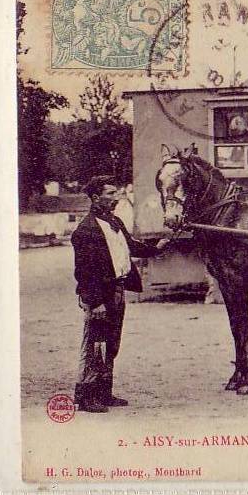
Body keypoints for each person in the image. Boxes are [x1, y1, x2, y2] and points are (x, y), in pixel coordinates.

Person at [71, 176, 166, 413]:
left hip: (117, 291)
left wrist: (158, 248)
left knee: (111, 343)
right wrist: (95, 302)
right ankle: (86, 398)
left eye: (116, 193)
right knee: (95, 345)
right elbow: (83, 272)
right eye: (110, 194)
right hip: (100, 297)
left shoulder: (114, 221)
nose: (116, 198)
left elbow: (133, 247)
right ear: (96, 198)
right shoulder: (86, 230)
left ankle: (104, 393)